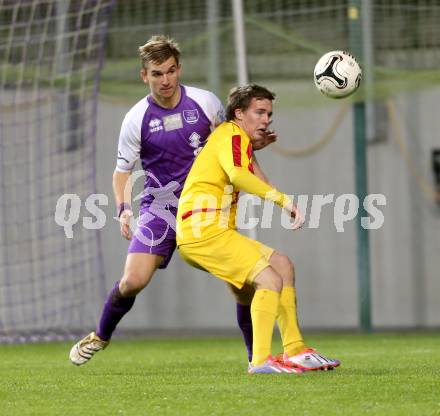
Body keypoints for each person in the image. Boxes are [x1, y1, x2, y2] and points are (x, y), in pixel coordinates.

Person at [69, 35, 271, 365]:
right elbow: (122, 172)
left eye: (171, 71)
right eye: (158, 73)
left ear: (179, 69)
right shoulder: (136, 119)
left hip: (206, 209)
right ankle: (100, 336)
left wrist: (255, 147)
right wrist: (123, 209)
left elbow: (231, 145)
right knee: (132, 281)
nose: (166, 80)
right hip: (161, 208)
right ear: (144, 76)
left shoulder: (205, 103)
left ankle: (256, 360)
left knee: (241, 287)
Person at [176, 84, 341, 374]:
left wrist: (277, 193)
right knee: (269, 280)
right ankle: (260, 361)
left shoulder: (235, 139)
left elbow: (252, 174)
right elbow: (238, 175)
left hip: (210, 231)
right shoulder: (230, 133)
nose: (266, 120)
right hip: (202, 231)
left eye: (269, 114)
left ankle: (296, 349)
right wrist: (282, 200)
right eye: (259, 112)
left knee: (283, 266)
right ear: (239, 113)